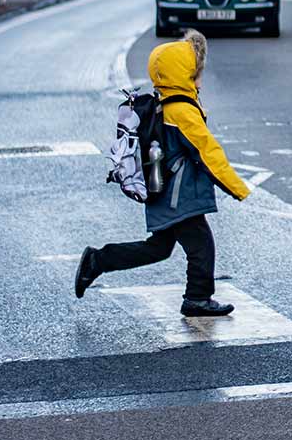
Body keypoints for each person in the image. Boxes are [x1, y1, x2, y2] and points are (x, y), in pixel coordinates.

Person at [76, 36, 250, 315]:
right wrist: (238, 188)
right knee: (201, 245)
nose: (200, 82)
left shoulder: (164, 102)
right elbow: (208, 152)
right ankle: (197, 298)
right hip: (178, 196)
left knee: (157, 249)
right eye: (196, 75)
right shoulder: (181, 110)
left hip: (165, 191)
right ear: (183, 74)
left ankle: (98, 260)